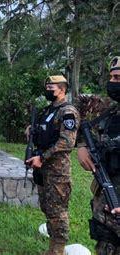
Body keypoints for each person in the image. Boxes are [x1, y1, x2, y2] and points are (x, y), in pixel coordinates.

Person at [26, 75, 79, 254]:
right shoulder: (48, 111)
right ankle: (53, 245)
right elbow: (44, 134)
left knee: (58, 211)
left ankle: (58, 248)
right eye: (47, 86)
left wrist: (42, 157)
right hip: (43, 170)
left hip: (57, 171)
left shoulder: (68, 112)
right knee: (46, 207)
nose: (48, 90)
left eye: (51, 87)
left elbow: (67, 142)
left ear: (62, 89)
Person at [77, 56, 120, 255]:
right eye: (112, 77)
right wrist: (83, 147)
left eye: (118, 78)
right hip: (106, 210)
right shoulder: (111, 114)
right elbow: (91, 133)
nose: (113, 82)